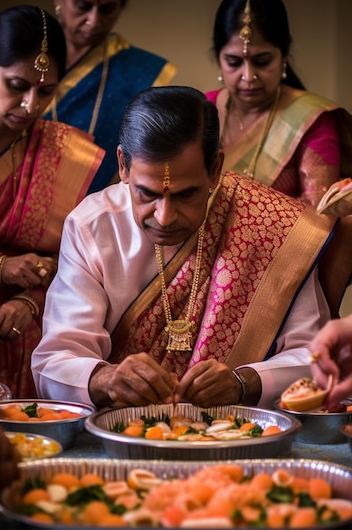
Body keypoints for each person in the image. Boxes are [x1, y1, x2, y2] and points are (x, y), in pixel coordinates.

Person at [31, 85, 352, 411]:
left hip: (239, 436)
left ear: (215, 171)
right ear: (123, 167)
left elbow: (313, 356)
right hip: (119, 433)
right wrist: (104, 380)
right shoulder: (92, 227)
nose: (165, 217)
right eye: (148, 194)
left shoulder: (272, 226)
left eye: (185, 195)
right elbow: (54, 360)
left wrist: (244, 383)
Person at [0, 6, 105, 398]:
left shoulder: (64, 151)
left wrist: (31, 301)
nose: (32, 105)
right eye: (17, 85)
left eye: (46, 90)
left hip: (25, 330)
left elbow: (77, 256)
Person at [205, 0, 352, 207]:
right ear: (219, 57)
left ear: (284, 57)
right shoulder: (202, 110)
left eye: (262, 61)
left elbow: (320, 219)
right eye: (234, 62)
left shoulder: (311, 120)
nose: (248, 76)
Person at [43, 0, 177, 192]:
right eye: (82, 6)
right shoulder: (25, 57)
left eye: (106, 9)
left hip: (91, 208)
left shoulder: (137, 72)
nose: (94, 21)